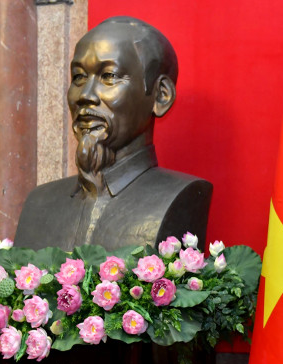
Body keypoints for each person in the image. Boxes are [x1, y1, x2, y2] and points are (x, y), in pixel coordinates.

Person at [15, 16, 212, 251]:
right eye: (78, 77)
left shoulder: (182, 196)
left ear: (161, 96)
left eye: (108, 76)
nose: (84, 95)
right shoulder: (39, 204)